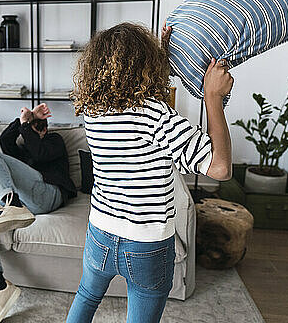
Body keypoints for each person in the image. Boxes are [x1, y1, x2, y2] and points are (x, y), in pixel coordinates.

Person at [66, 22, 234, 323]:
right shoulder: (157, 116)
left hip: (100, 232)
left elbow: (138, 113)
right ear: (146, 65)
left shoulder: (92, 110)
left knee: (87, 297)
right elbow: (219, 167)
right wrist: (213, 98)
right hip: (146, 243)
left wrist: (163, 54)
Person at [0, 103, 77, 323]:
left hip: (48, 194)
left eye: (35, 128)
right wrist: (22, 119)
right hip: (24, 200)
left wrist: (28, 125)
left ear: (43, 129)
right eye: (29, 128)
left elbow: (39, 153)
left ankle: (11, 202)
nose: (31, 131)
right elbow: (5, 142)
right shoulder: (22, 151)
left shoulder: (54, 142)